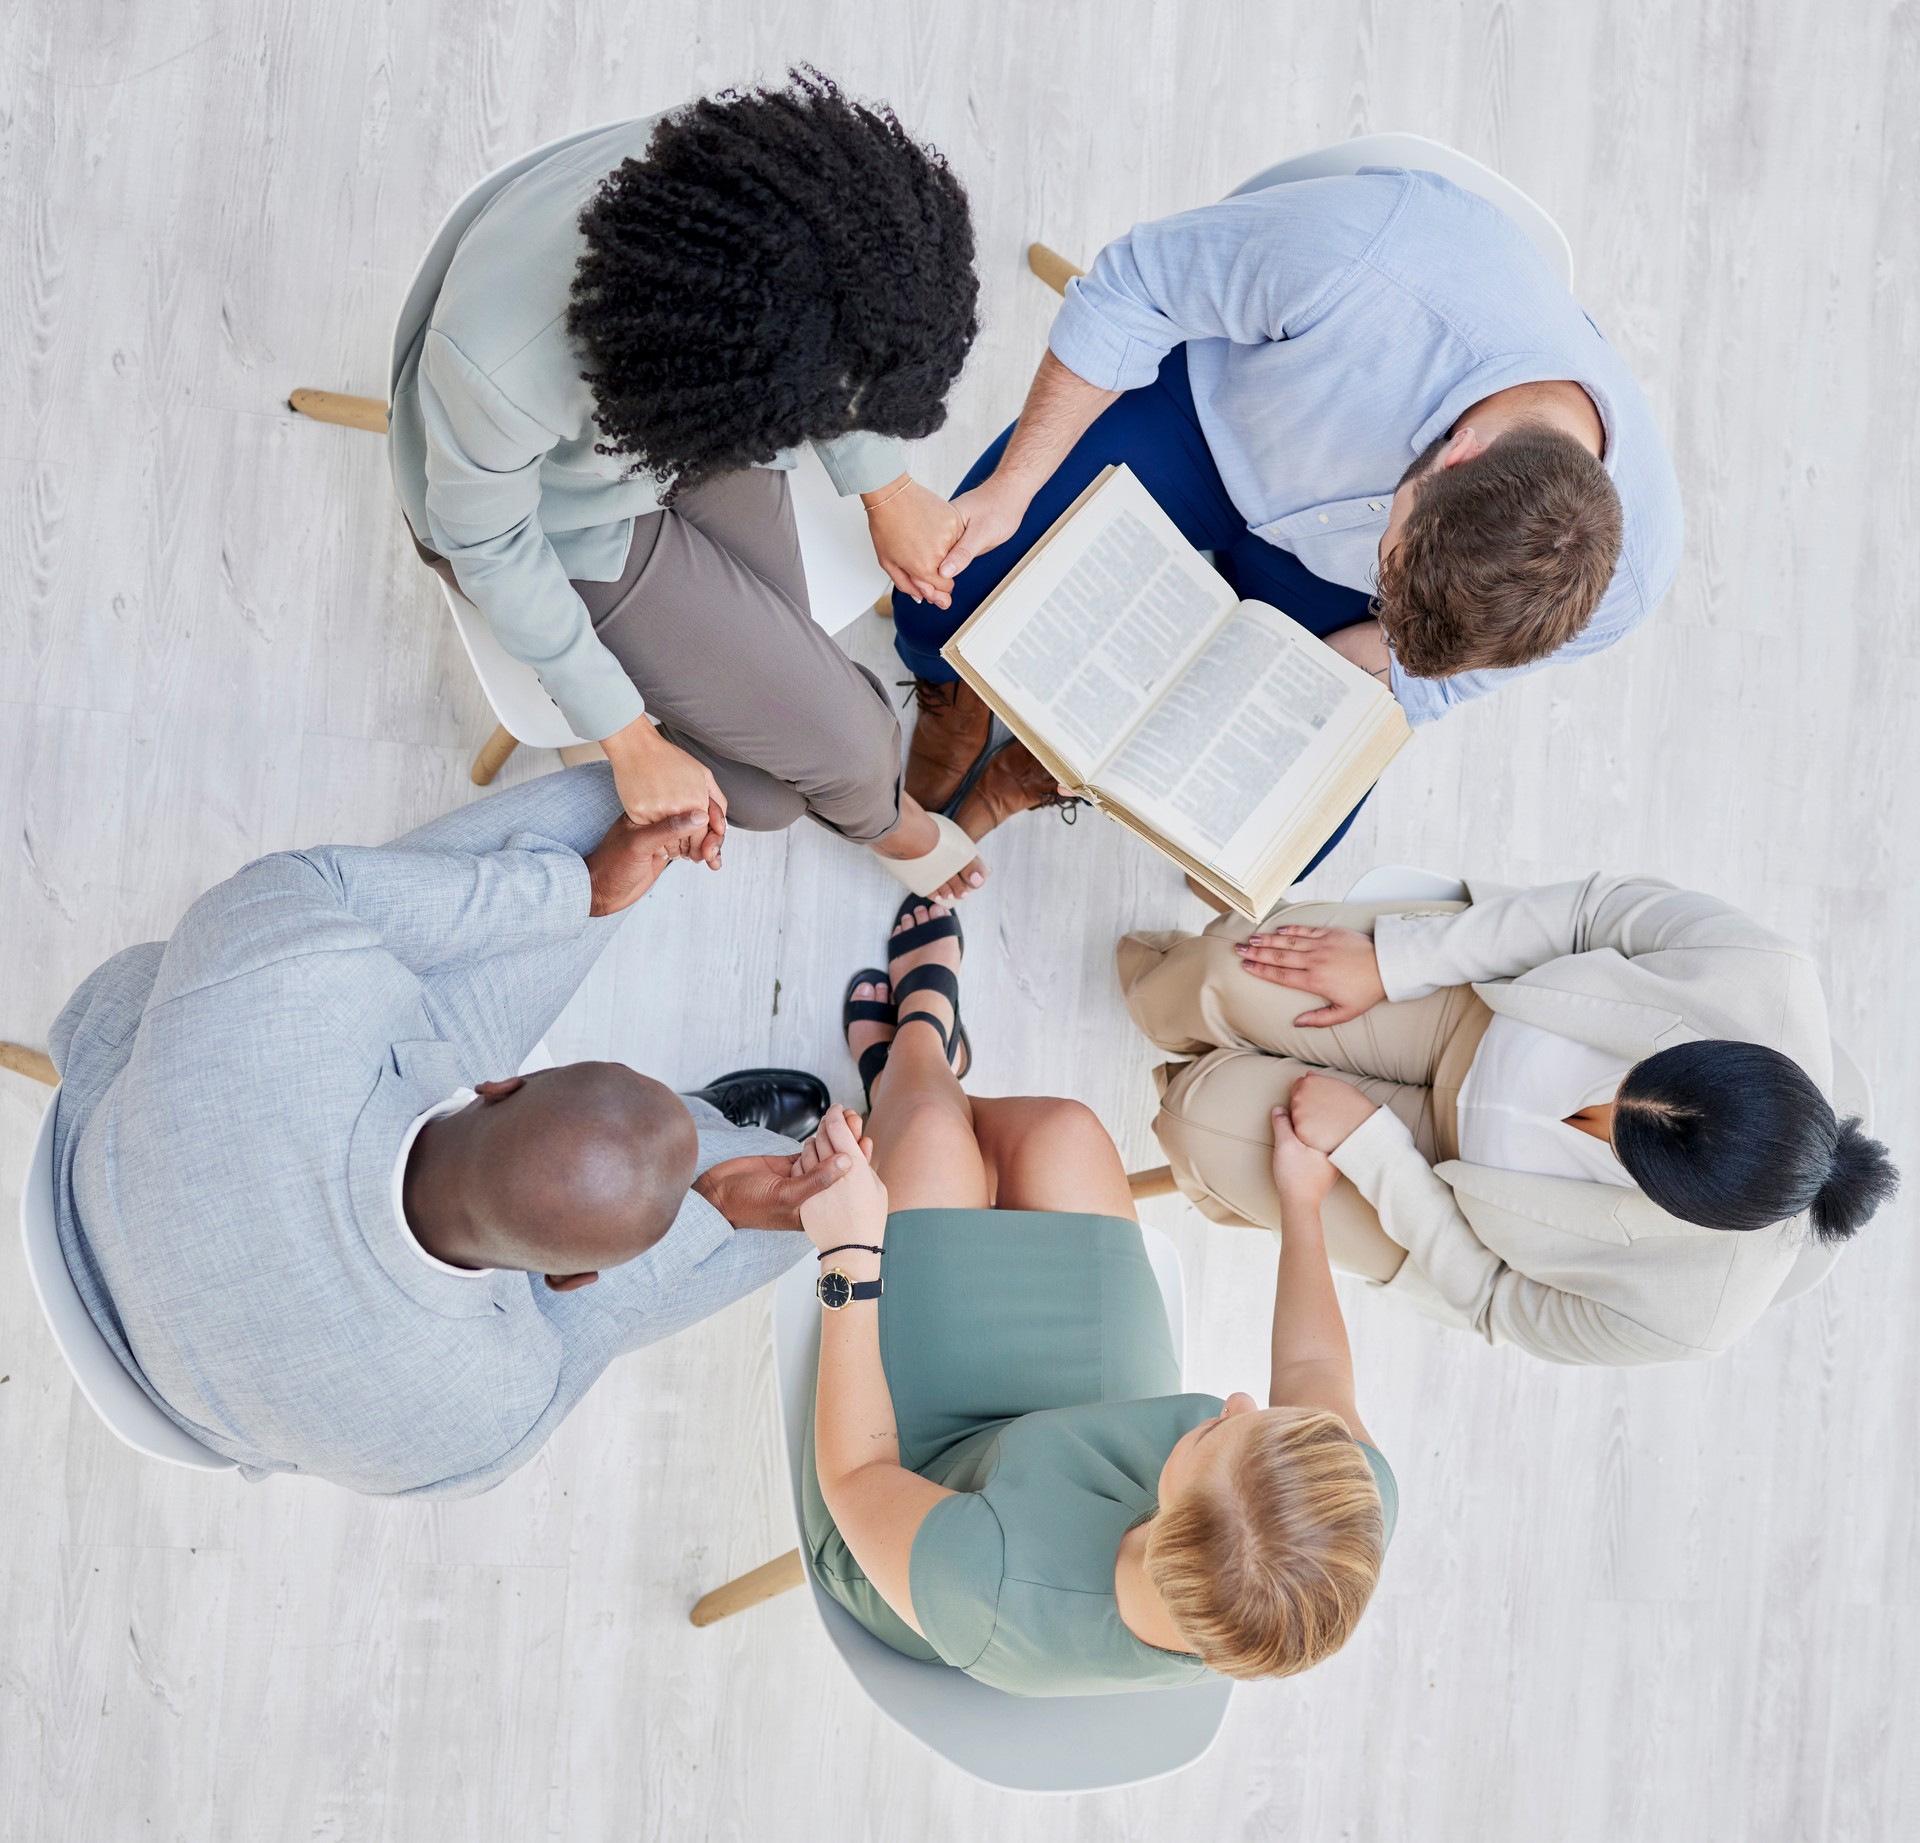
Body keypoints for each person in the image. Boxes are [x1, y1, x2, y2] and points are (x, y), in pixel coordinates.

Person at [46, 765, 851, 1496]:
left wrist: (577, 891)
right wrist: (716, 1206)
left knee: (619, 807)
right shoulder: (485, 1420)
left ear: (504, 1079)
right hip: (170, 1274)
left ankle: (687, 1133)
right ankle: (702, 1126)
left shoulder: (276, 968)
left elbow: (318, 887)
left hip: (140, 1148)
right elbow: (589, 1327)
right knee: (797, 1221)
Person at [886, 166, 1682, 866]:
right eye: (1390, 556)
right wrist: (1013, 488)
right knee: (948, 588)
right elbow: (1134, 288)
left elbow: (1419, 677)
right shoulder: (1372, 259)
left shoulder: (1621, 582)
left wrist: (1196, 731)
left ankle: (1047, 767)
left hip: (1335, 602)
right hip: (1206, 417)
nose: (1385, 565)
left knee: (1275, 837)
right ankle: (956, 701)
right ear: (1460, 454)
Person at [388, 71, 988, 902]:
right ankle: (884, 818)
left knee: (779, 787)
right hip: (552, 521)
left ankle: (853, 788)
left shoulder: (753, 199)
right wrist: (626, 736)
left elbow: (832, 317)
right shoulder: (499, 366)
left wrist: (885, 488)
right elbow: (484, 541)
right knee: (811, 772)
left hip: (694, 418)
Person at [792, 901, 1396, 1694]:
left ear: (1159, 1521)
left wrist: (848, 1257)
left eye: (1220, 1433)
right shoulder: (1335, 1511)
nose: (1243, 1397)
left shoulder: (999, 1586)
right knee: (1067, 1133)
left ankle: (919, 1046)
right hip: (1080, 1428)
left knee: (936, 1134)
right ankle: (913, 1074)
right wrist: (1301, 1201)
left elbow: (855, 1475)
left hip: (915, 1489)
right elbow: (1314, 1365)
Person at [1120, 874, 1899, 1366]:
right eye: (1631, 1075)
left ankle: (1199, 1082)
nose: (1593, 1110)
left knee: (1199, 1122)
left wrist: (1373, 1149)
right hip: (1478, 1007)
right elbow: (1590, 911)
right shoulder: (1763, 971)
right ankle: (1174, 1005)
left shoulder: (1687, 1317)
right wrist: (1394, 963)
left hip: (1443, 1199)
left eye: (1612, 1140)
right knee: (1219, 976)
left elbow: (1495, 1300)